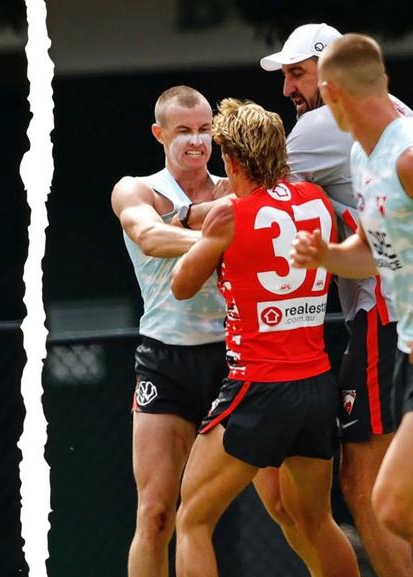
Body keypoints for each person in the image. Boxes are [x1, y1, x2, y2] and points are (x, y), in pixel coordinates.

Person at [171, 98, 359, 577]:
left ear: (232, 159)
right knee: (316, 521)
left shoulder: (231, 215)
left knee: (192, 519)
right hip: (316, 383)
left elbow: (182, 285)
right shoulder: (315, 200)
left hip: (258, 386)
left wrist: (205, 231)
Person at [261, 23, 413, 577]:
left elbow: (254, 197)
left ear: (335, 90)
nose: (292, 93)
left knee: (368, 485)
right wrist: (324, 255)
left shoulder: (396, 153)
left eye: (299, 76)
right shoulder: (362, 154)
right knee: (392, 500)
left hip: (388, 322)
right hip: (400, 333)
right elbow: (372, 251)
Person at [111, 86, 228, 577]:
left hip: (234, 357)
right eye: (184, 131)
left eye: (204, 130)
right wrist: (217, 234)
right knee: (156, 513)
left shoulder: (231, 190)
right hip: (165, 358)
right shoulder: (137, 188)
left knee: (283, 505)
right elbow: (149, 235)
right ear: (160, 134)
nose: (196, 142)